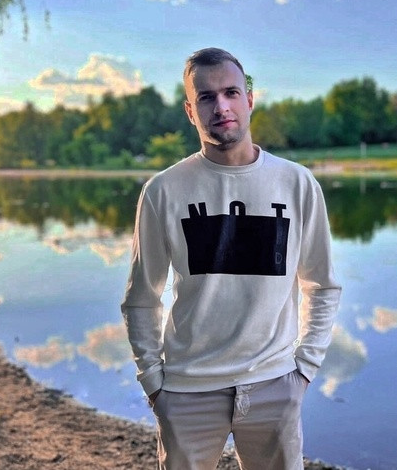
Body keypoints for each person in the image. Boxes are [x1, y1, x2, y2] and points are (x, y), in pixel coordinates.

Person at [121, 47, 341, 470]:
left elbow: (322, 283)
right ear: (190, 111)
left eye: (231, 93)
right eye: (206, 97)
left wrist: (304, 368)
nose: (221, 106)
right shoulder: (163, 191)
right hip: (187, 390)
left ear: (249, 99)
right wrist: (153, 382)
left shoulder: (296, 184)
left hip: (274, 384)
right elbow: (142, 297)